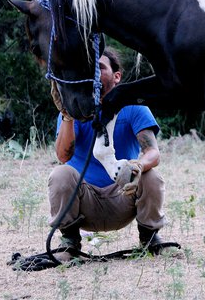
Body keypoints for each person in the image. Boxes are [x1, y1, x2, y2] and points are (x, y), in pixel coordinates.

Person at [48, 47, 170, 263]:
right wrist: (67, 115)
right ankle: (69, 242)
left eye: (100, 67)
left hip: (123, 194)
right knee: (60, 174)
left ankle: (150, 239)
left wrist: (138, 166)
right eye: (89, 68)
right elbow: (62, 156)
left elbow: (153, 152)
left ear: (117, 77)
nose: (93, 73)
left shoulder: (133, 106)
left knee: (151, 176)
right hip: (84, 199)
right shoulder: (73, 108)